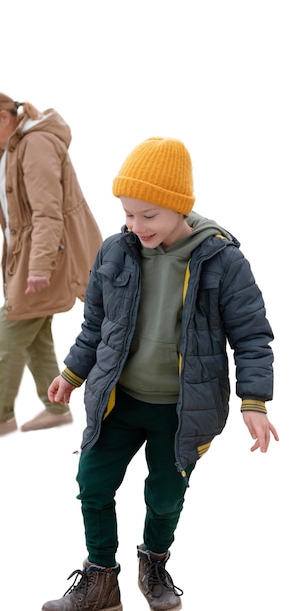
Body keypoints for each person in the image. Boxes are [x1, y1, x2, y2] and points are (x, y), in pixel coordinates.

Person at [41, 137, 278, 611]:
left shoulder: (222, 261)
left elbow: (251, 336)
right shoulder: (116, 252)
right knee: (92, 482)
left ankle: (153, 561)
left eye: (148, 215)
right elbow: (96, 325)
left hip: (181, 410)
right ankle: (100, 576)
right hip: (119, 400)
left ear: (178, 207)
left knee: (166, 496)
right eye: (128, 214)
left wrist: (254, 402)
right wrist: (72, 373)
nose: (135, 225)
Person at [0, 92, 103, 440]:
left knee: (9, 329)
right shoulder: (15, 145)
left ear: (5, 119)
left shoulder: (35, 146)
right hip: (41, 251)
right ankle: (56, 408)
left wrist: (39, 267)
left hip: (51, 255)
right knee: (35, 335)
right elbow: (19, 207)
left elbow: (48, 214)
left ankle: (0, 416)